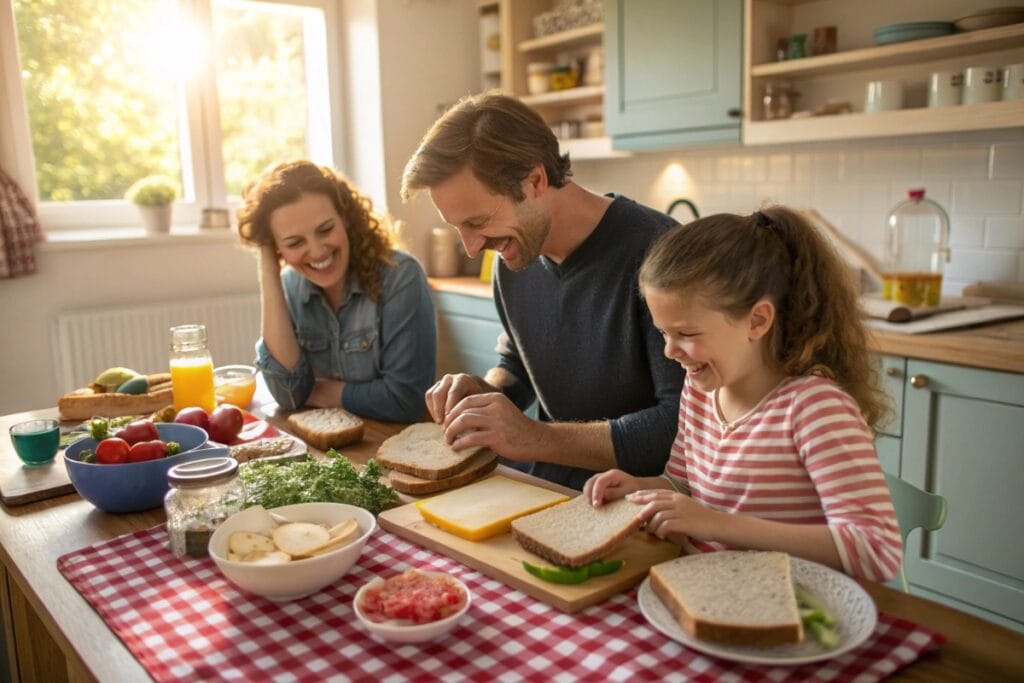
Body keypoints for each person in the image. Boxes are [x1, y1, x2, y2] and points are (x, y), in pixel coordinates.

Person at [584, 206, 903, 581]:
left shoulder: (814, 409)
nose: (670, 351)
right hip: (708, 586)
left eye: (687, 334)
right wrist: (638, 488)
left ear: (757, 320)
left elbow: (876, 551)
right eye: (663, 333)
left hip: (794, 604)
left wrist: (717, 524)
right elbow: (684, 484)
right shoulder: (701, 392)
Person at [401, 92, 683, 490]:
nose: (470, 246)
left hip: (641, 501)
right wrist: (484, 392)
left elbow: (681, 427)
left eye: (478, 221)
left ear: (535, 180)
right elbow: (518, 362)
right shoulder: (512, 261)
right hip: (546, 487)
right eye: (457, 226)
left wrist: (534, 437)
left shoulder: (660, 253)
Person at [237, 160, 436, 423]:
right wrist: (268, 270)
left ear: (345, 217)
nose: (318, 251)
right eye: (294, 242)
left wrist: (325, 391)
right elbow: (289, 395)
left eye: (326, 229)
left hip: (392, 440)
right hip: (328, 449)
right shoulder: (290, 284)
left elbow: (405, 400)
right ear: (277, 249)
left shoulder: (400, 275)